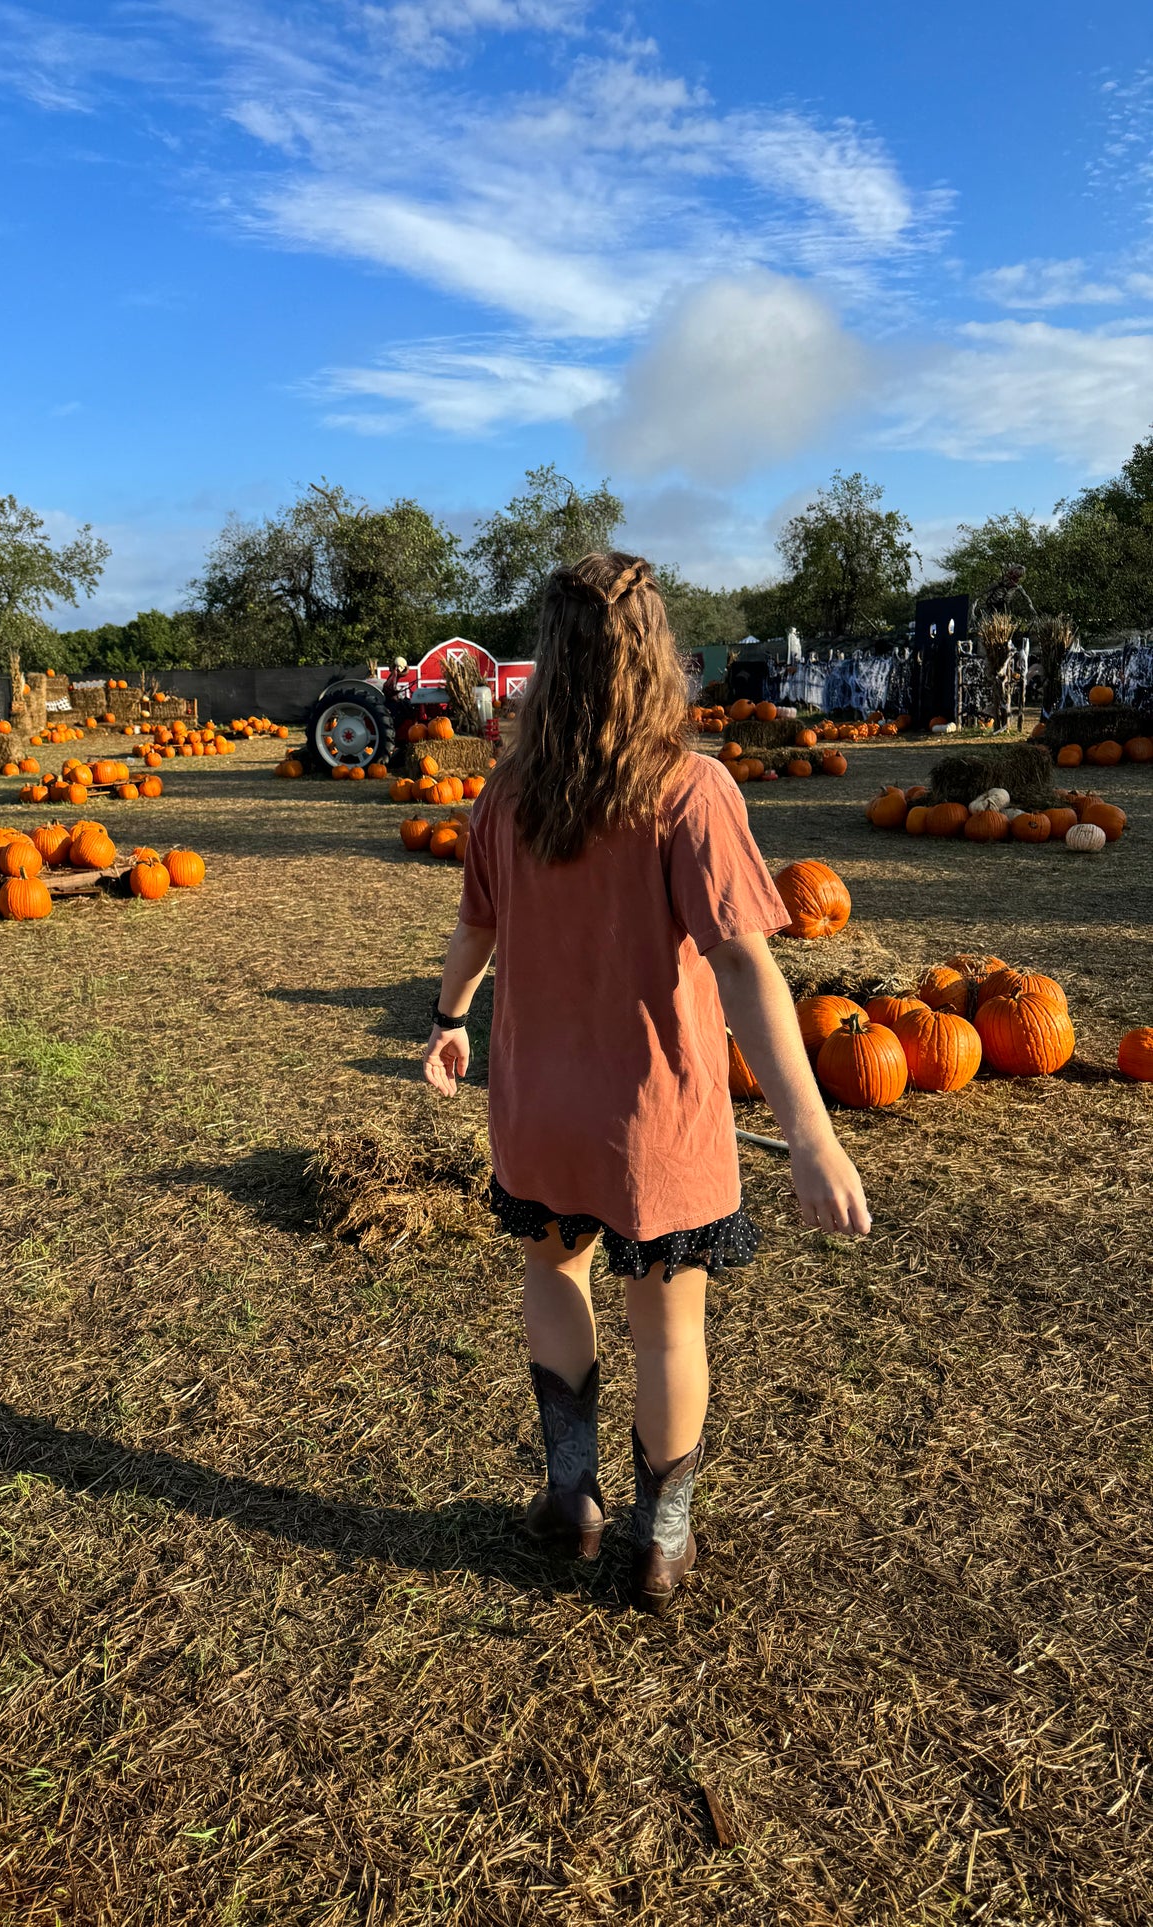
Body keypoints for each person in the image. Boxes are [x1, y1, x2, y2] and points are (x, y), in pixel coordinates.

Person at [422, 552, 870, 1614]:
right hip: (651, 1122)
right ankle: (656, 1544)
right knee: (666, 1328)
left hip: (537, 1108)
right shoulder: (687, 788)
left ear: (554, 661)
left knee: (552, 1275)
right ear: (653, 655)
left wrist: (446, 1021)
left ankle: (569, 1503)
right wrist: (810, 1134)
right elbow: (746, 967)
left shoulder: (508, 792)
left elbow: (472, 927)